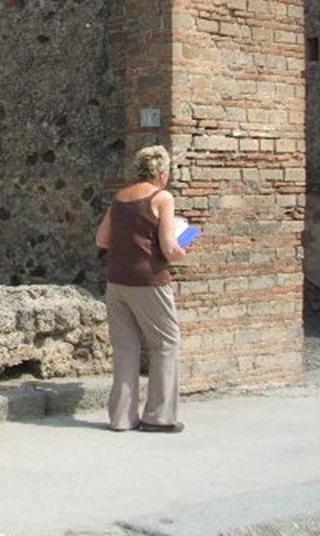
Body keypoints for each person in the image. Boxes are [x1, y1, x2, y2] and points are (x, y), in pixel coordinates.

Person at [94, 145, 187, 433]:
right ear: (163, 173)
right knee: (166, 343)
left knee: (125, 348)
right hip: (149, 281)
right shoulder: (163, 197)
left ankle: (121, 418)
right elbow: (170, 248)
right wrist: (183, 249)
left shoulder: (119, 198)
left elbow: (102, 240)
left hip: (117, 281)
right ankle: (159, 416)